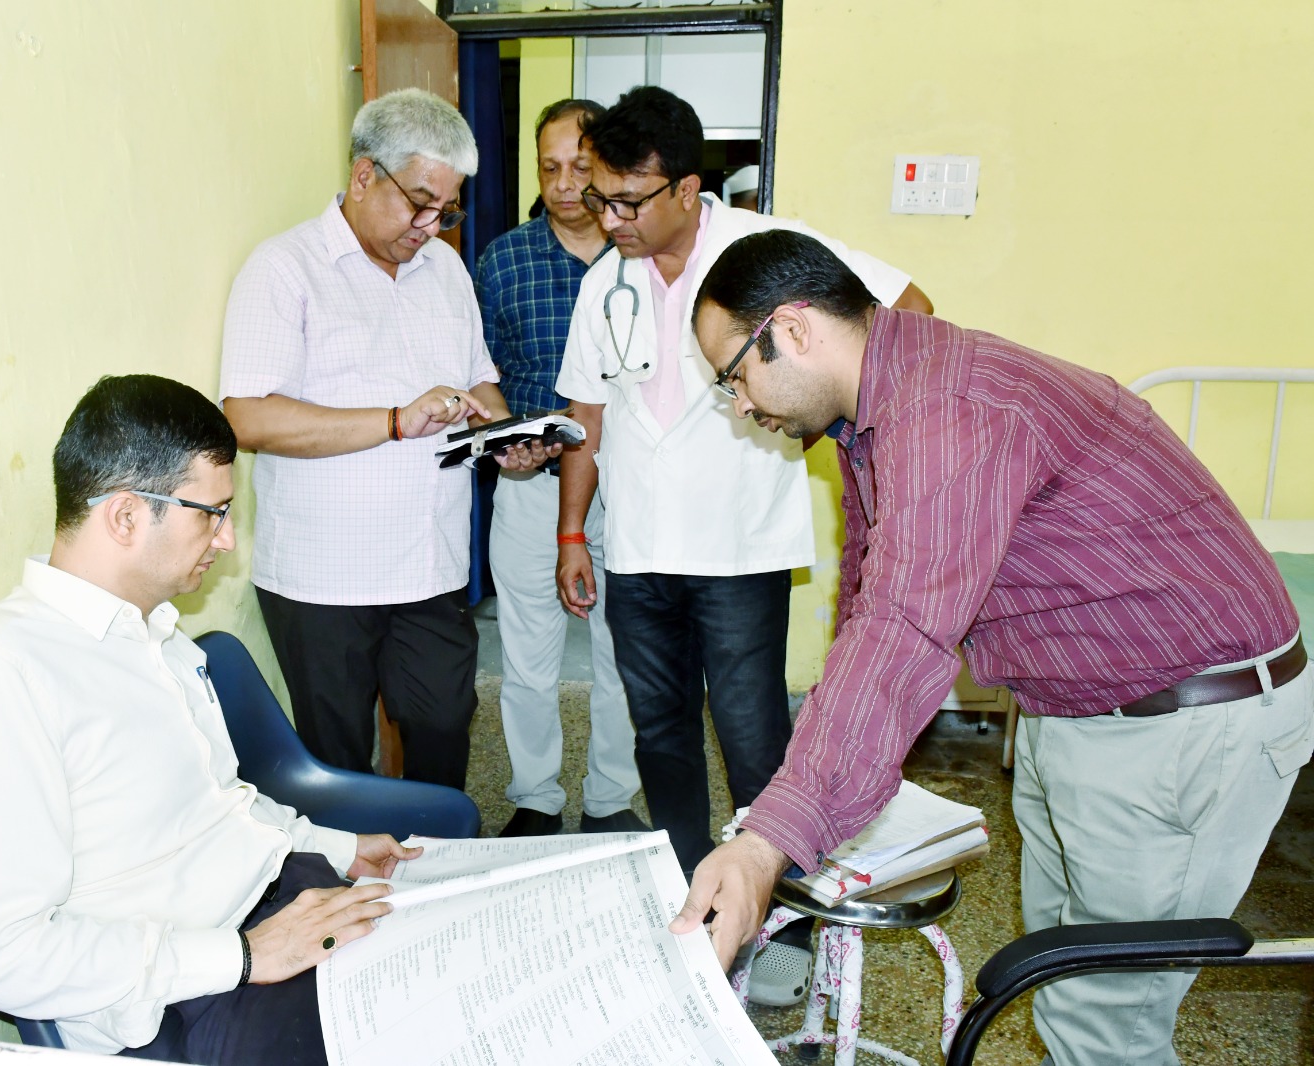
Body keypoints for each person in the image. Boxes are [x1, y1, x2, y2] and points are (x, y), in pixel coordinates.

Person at [675, 228, 1311, 1066]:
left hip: (1182, 724)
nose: (739, 406)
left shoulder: (949, 407)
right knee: (1052, 974)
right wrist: (811, 779)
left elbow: (905, 626)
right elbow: (870, 599)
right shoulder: (877, 414)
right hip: (1078, 706)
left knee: (1106, 1026)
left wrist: (770, 841)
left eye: (732, 377)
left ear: (791, 330)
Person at [0, 375, 422, 1064]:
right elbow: (2, 955)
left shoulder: (155, 633)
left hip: (279, 901)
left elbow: (220, 803)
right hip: (191, 993)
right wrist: (244, 956)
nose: (227, 539)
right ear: (125, 516)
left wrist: (337, 848)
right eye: (212, 514)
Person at [553, 86, 933, 873]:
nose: (611, 219)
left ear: (687, 188)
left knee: (751, 732)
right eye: (601, 200)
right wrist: (571, 533)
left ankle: (777, 899)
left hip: (738, 546)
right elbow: (586, 415)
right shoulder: (604, 284)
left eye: (629, 202)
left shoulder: (768, 249)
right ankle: (687, 880)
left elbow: (909, 309)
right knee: (659, 731)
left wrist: (847, 425)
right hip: (638, 546)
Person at [219, 88, 553, 792]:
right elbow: (249, 418)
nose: (431, 226)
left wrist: (502, 435)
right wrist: (395, 421)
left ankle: (436, 854)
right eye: (420, 204)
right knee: (337, 757)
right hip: (322, 575)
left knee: (442, 726)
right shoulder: (284, 269)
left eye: (447, 210)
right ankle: (352, 866)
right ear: (365, 174)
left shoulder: (447, 271)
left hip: (430, 565)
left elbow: (479, 380)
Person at [474, 98, 646, 837]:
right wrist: (501, 438)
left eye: (581, 166)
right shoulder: (502, 261)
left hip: (630, 494)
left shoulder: (643, 258)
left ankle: (610, 798)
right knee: (526, 656)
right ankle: (535, 798)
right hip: (530, 487)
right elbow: (480, 373)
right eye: (550, 168)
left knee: (623, 655)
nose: (566, 183)